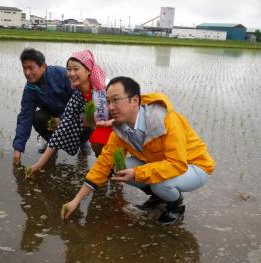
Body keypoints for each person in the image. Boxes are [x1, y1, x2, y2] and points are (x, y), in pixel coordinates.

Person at [62, 76, 215, 225]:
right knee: (118, 166)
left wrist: (138, 173)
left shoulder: (164, 120)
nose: (110, 107)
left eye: (116, 100)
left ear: (135, 100)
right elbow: (104, 162)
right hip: (161, 163)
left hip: (194, 166)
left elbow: (177, 164)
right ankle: (158, 198)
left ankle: (176, 206)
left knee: (159, 184)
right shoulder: (120, 127)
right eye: (108, 101)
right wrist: (75, 201)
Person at [29, 50, 113, 174]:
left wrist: (110, 123)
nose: (71, 73)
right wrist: (39, 164)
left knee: (106, 145)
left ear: (89, 70)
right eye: (69, 69)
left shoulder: (106, 89)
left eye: (76, 69)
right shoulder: (78, 95)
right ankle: (106, 171)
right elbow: (62, 128)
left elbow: (127, 114)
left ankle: (113, 171)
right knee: (96, 139)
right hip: (100, 127)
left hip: (119, 127)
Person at [12, 48, 73, 164]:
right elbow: (25, 116)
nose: (27, 73)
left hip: (71, 114)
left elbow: (80, 103)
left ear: (43, 66)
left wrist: (62, 119)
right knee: (37, 117)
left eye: (31, 68)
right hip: (51, 117)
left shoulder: (63, 75)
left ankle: (83, 142)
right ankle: (52, 145)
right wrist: (18, 149)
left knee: (87, 120)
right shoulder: (30, 88)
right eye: (24, 68)